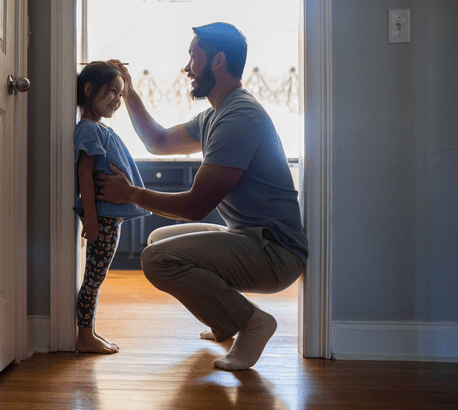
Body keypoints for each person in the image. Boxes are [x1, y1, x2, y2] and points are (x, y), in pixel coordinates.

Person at [96, 23, 308, 370]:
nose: (188, 68)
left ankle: (252, 323)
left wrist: (130, 193)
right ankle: (223, 320)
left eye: (194, 57)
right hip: (251, 240)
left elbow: (196, 207)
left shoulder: (239, 118)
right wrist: (129, 92)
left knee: (156, 259)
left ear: (218, 61)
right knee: (159, 239)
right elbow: (159, 141)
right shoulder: (215, 115)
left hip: (276, 254)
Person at [73, 60, 151, 354]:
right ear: (90, 89)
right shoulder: (89, 129)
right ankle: (84, 335)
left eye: (121, 94)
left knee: (96, 277)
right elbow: (84, 174)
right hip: (103, 218)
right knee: (94, 279)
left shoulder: (98, 129)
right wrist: (91, 219)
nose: (118, 99)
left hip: (108, 217)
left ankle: (89, 331)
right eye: (112, 92)